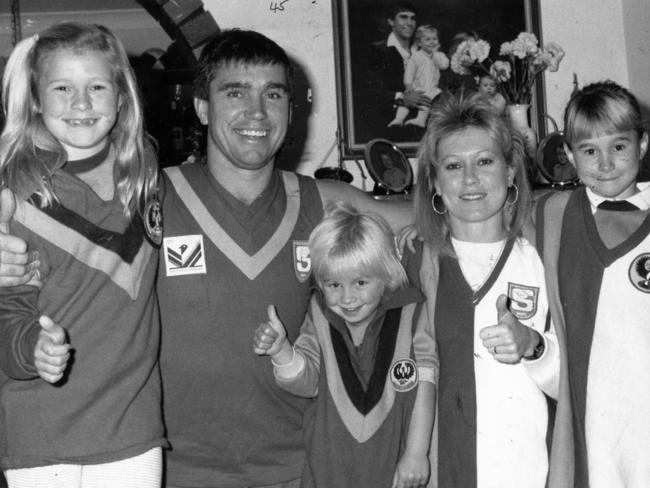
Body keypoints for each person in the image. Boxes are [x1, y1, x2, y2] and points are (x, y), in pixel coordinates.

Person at [0, 28, 415, 487]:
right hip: (167, 469)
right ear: (201, 106)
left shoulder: (322, 203)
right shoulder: (141, 195)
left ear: (292, 111)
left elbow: (432, 218)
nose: (256, 111)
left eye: (273, 94)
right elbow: (41, 202)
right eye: (235, 92)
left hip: (298, 469)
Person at [0, 22, 165, 487]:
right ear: (36, 100)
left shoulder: (145, 176)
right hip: (40, 428)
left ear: (121, 97)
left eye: (96, 86)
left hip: (131, 425)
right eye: (62, 88)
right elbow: (8, 311)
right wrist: (32, 348)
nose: (81, 103)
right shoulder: (17, 193)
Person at [413, 95, 559, 488]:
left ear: (511, 170)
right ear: (434, 181)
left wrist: (534, 345)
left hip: (526, 470)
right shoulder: (414, 262)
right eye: (454, 166)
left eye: (485, 161)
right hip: (443, 469)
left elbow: (576, 384)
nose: (470, 179)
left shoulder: (543, 259)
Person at [253, 202, 436, 488]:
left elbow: (426, 384)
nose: (347, 298)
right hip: (329, 471)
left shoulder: (413, 314)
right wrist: (281, 352)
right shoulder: (317, 314)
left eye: (361, 282)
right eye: (333, 285)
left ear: (386, 274)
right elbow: (307, 383)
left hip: (394, 471)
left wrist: (416, 452)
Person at [537, 81, 650, 488]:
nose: (605, 164)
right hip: (592, 425)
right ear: (568, 154)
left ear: (642, 144)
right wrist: (421, 229)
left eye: (619, 147)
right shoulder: (553, 215)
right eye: (589, 151)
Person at [358, 2, 429, 142]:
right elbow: (369, 93)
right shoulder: (377, 51)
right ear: (391, 21)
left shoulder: (422, 51)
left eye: (413, 18)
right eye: (403, 17)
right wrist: (402, 97)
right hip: (389, 130)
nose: (409, 23)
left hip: (422, 128)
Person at [389, 25, 449, 128]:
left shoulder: (439, 55)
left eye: (434, 39)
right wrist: (408, 85)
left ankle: (420, 120)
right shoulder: (416, 56)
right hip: (417, 86)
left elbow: (444, 66)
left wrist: (435, 53)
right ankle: (398, 119)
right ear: (420, 43)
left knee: (426, 101)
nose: (432, 42)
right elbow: (409, 72)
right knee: (404, 102)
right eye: (427, 39)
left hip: (431, 87)